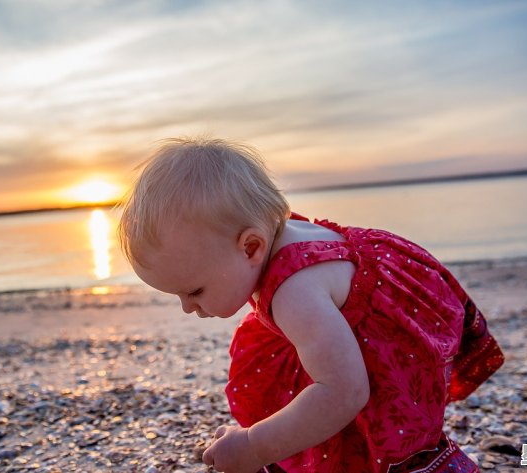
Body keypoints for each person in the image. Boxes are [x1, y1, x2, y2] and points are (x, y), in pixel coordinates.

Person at [117, 137, 504, 473]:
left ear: (250, 247)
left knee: (379, 439)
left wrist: (255, 446)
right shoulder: (276, 236)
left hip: (385, 349)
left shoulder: (295, 292)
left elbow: (344, 392)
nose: (187, 307)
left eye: (194, 291)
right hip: (354, 326)